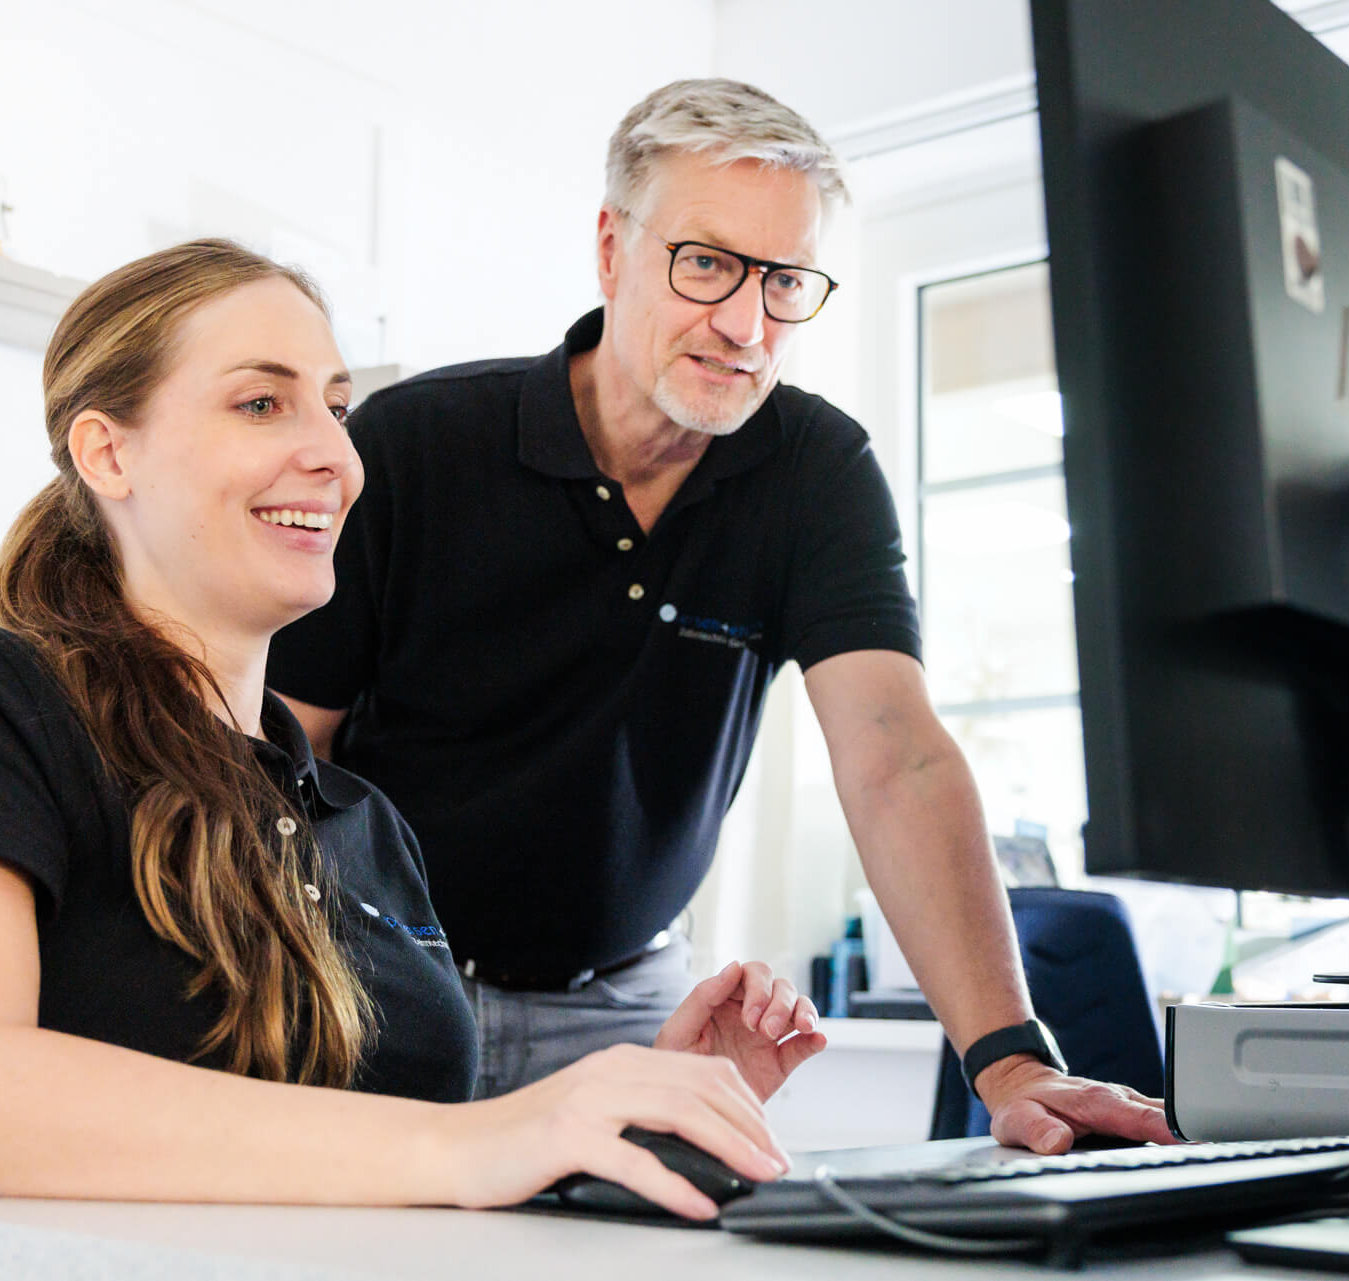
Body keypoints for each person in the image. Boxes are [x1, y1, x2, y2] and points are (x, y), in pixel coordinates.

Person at [0, 239, 826, 1222]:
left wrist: (645, 1115)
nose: (335, 453)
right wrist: (481, 1141)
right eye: (262, 403)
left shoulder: (365, 826)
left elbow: (398, 1175)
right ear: (106, 451)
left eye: (337, 408)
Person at [265, 80, 1174, 1154]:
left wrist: (1011, 1062)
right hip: (378, 985)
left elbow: (896, 759)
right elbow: (281, 752)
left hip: (627, 1011)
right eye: (705, 264)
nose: (746, 326)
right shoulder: (417, 442)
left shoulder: (814, 473)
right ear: (612, 249)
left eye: (785, 280)